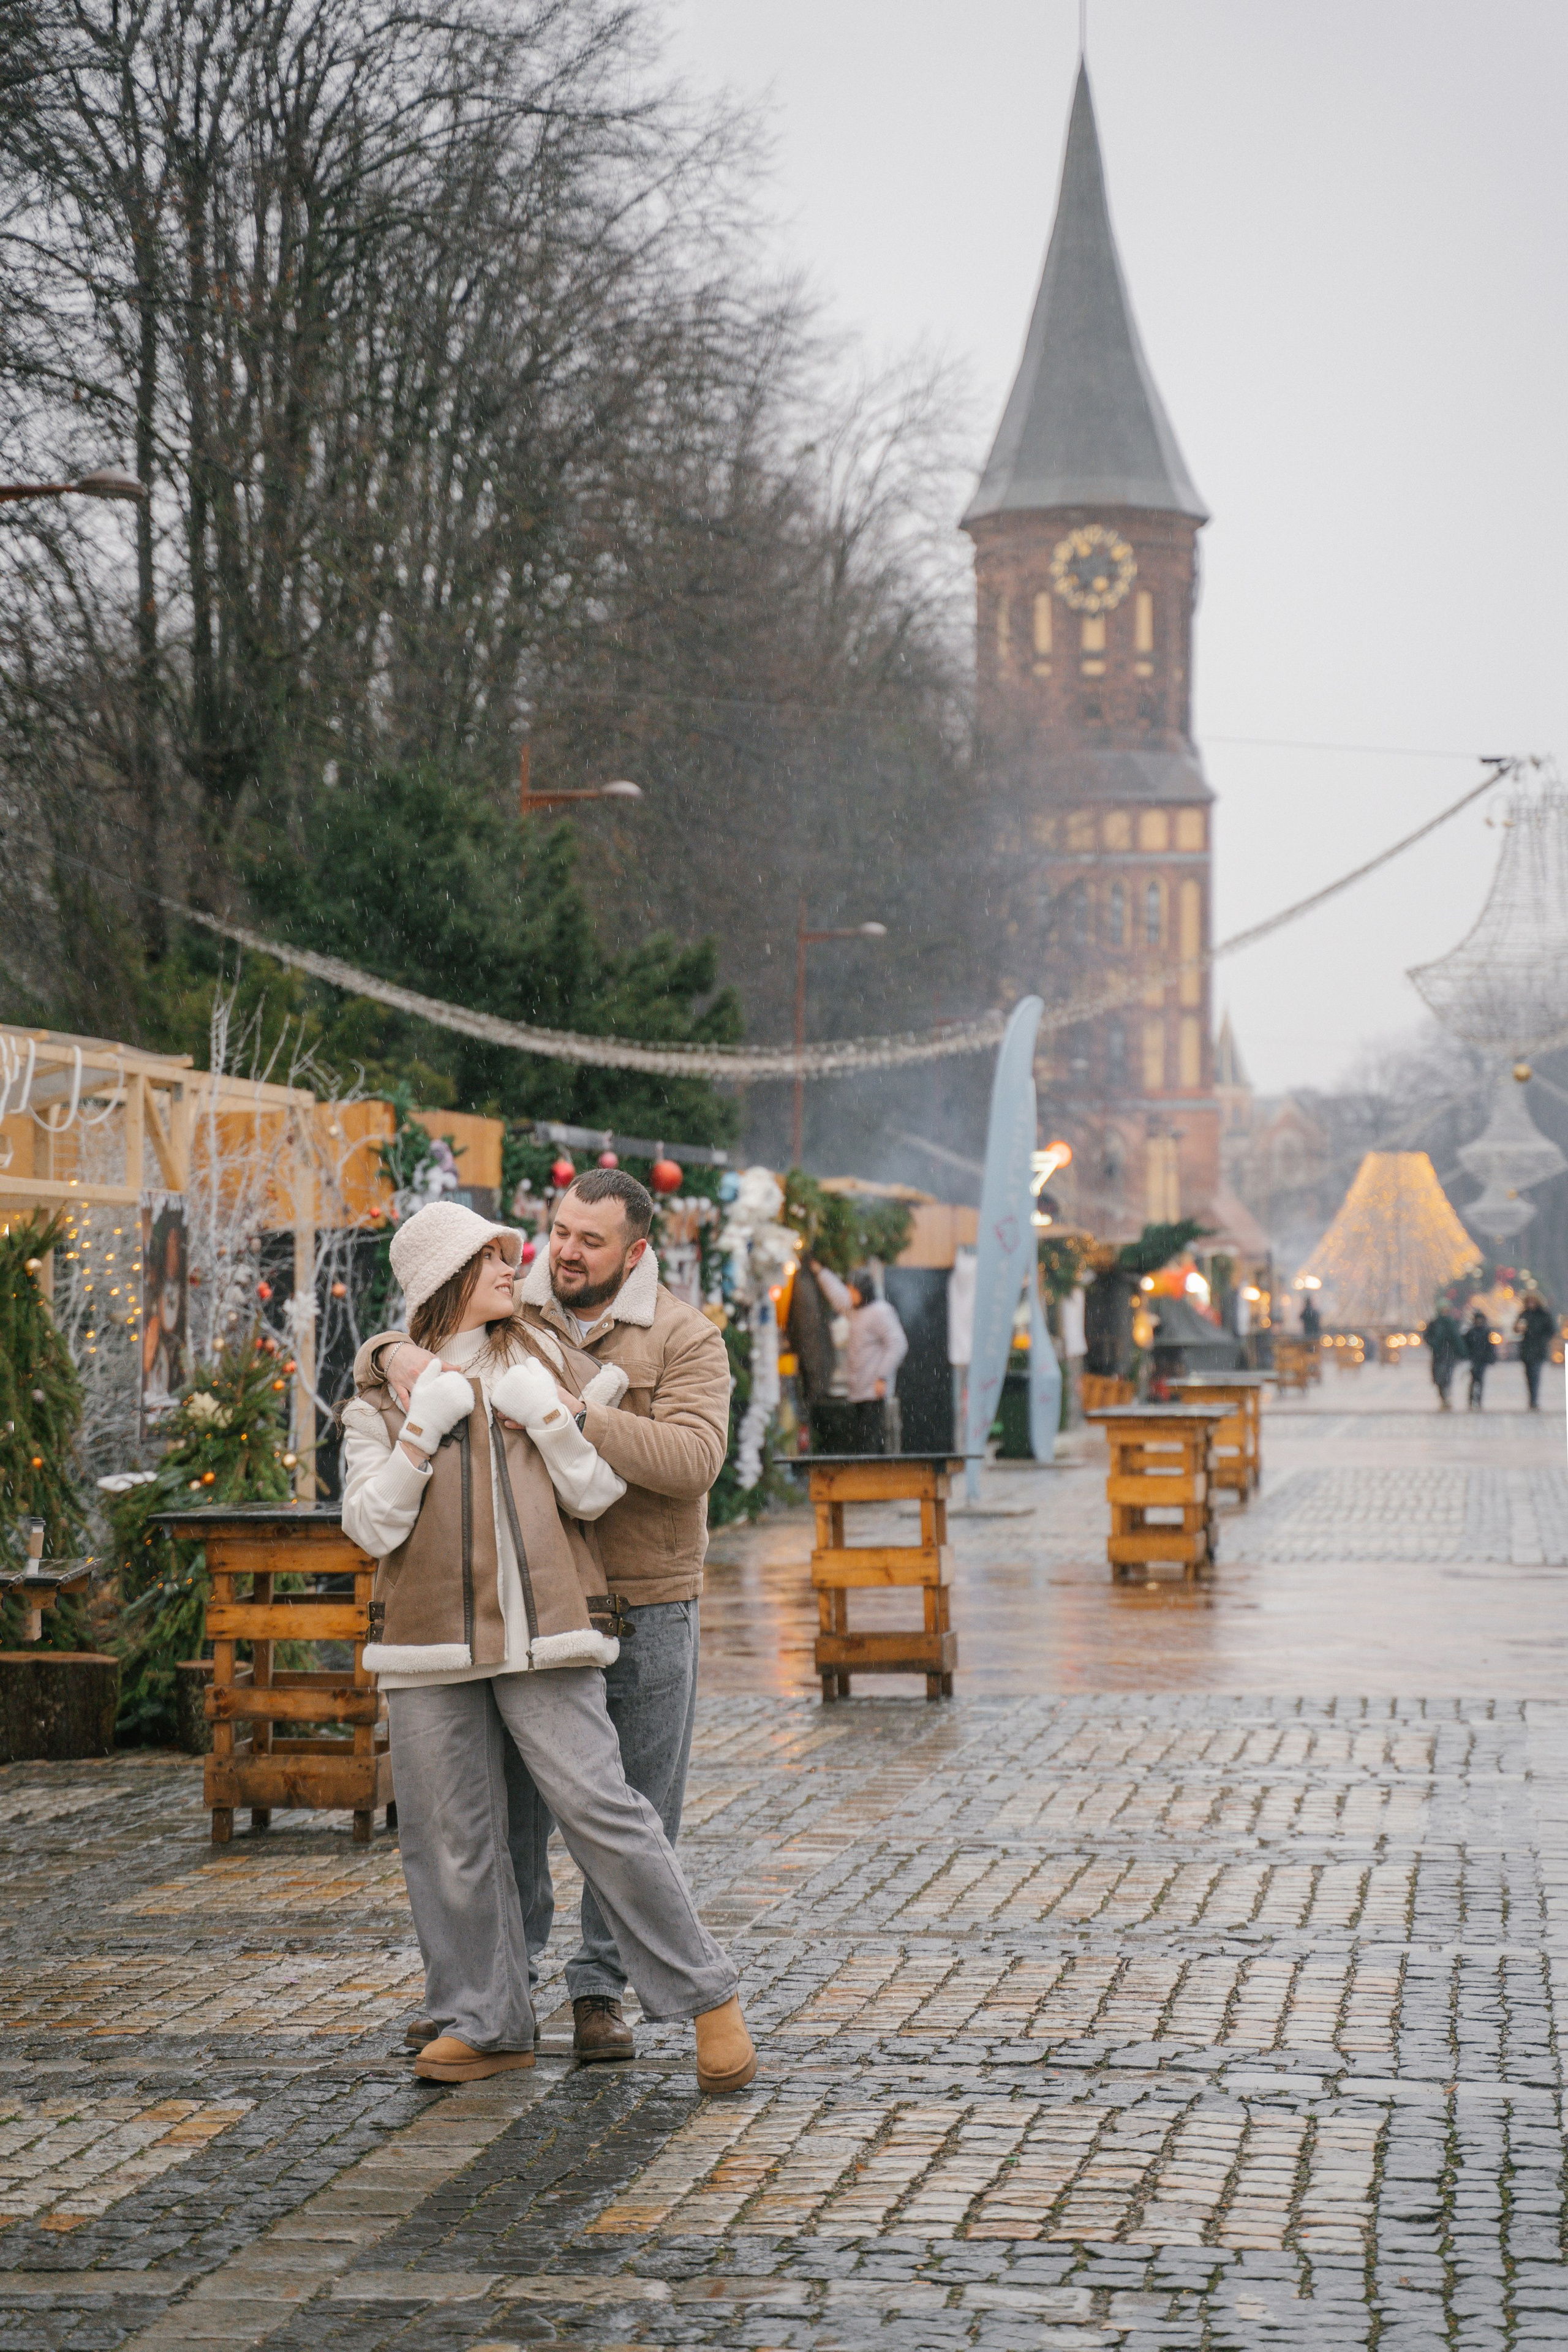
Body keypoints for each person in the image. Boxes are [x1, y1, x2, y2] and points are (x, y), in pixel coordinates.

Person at [340, 1198, 754, 2097]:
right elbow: (370, 1527)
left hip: (553, 1631)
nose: (523, 1265)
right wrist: (418, 1423)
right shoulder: (381, 1394)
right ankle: (487, 2021)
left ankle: (708, 1996)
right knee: (450, 1837)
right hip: (428, 1646)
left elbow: (598, 1492)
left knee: (606, 1808)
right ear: (450, 1277)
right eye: (494, 1257)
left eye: (571, 1240)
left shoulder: (549, 1357)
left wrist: (557, 1420)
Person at [813, 1262, 909, 1453]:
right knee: (862, 1442)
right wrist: (821, 1272)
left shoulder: (880, 1312)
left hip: (874, 1391)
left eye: (853, 1291)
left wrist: (882, 1376)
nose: (850, 1294)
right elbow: (838, 1296)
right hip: (858, 1390)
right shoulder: (856, 1310)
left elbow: (898, 1344)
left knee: (870, 1444)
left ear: (863, 1290)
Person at [1515, 1292, 1555, 1411]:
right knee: (1529, 1375)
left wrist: (1543, 1340)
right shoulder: (1524, 1314)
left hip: (1539, 1349)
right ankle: (1532, 1398)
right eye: (1529, 1302)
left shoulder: (1544, 1315)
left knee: (1536, 1374)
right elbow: (1516, 1328)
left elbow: (1551, 1330)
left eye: (1533, 1301)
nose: (1531, 1304)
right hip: (1527, 1349)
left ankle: (1534, 1400)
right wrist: (1519, 1328)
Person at [1421, 1304, 1462, 1411]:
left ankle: (1446, 1397)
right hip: (1439, 1354)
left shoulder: (1452, 1323)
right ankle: (1443, 1397)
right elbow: (1427, 1336)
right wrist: (1434, 1344)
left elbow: (1457, 1339)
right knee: (1439, 1376)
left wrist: (1461, 1352)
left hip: (1449, 1354)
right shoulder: (1435, 1323)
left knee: (1447, 1376)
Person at [1462, 1305, 1497, 1411]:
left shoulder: (1487, 1332)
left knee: (1480, 1380)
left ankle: (1478, 1400)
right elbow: (1466, 1344)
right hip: (1474, 1359)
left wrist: (1491, 1357)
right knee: (1474, 1380)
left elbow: (1491, 1346)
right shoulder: (1471, 1332)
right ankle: (1472, 1400)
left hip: (1483, 1360)